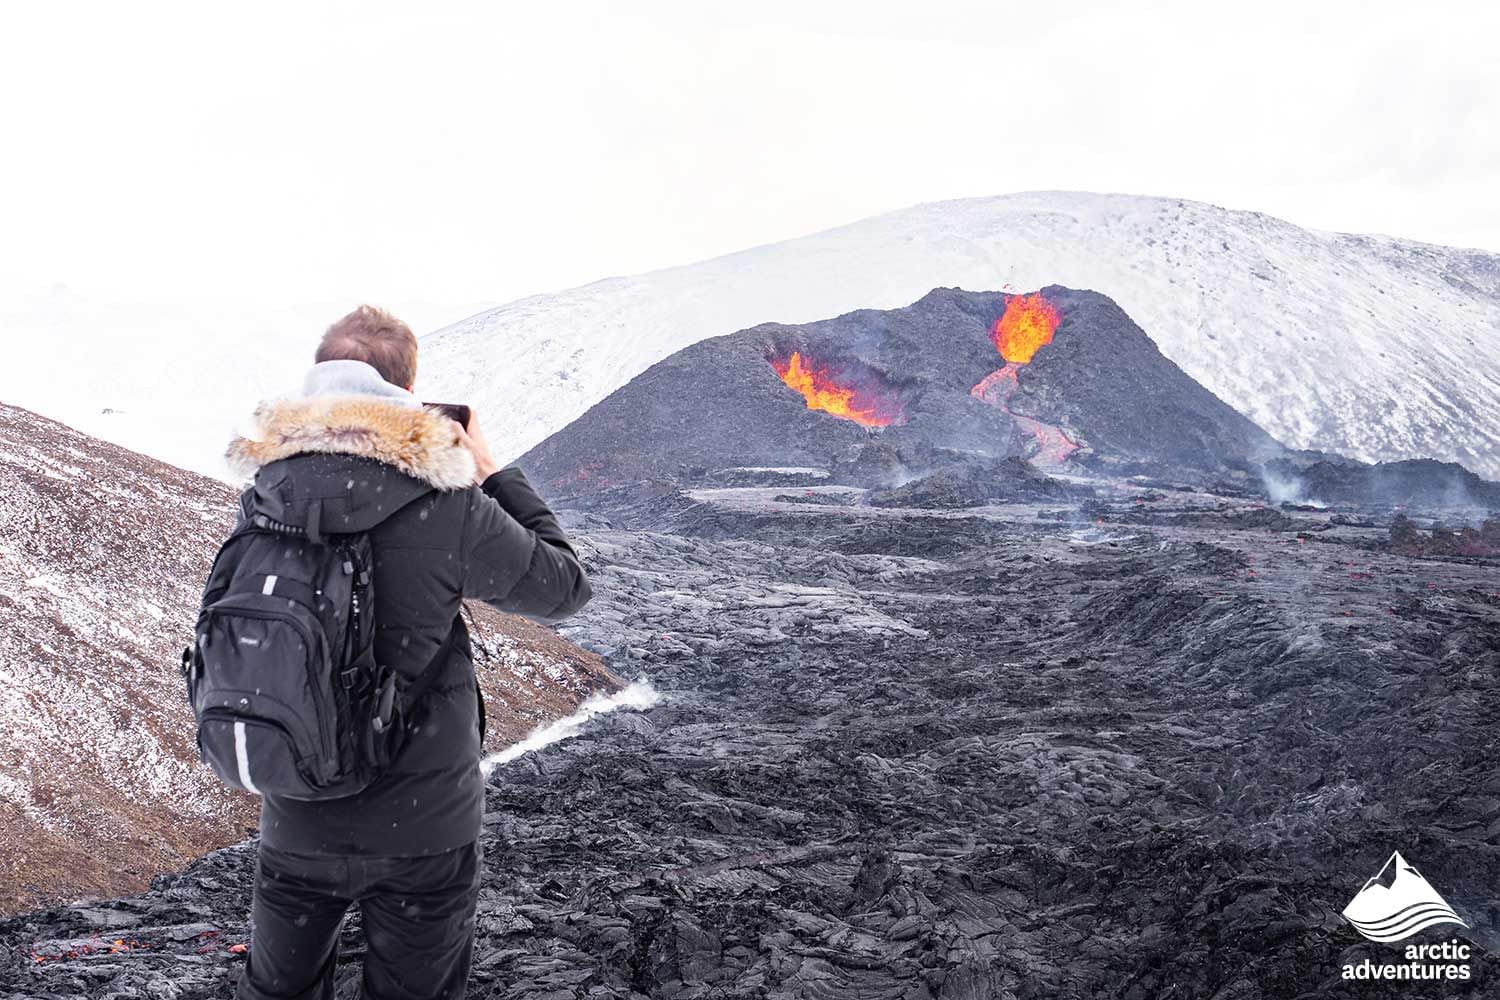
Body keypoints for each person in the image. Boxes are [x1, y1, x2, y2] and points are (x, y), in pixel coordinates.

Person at [223, 305, 592, 1000]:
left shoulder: (266, 494)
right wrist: (491, 469)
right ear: (407, 392)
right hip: (424, 826)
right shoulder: (446, 499)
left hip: (300, 810)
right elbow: (562, 587)